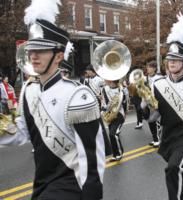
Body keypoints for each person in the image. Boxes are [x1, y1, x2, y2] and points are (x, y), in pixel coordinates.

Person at [0, 4, 105, 199]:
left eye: (41, 50)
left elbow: (92, 154)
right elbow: (22, 133)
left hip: (72, 185)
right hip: (42, 183)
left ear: (58, 56)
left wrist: (92, 193)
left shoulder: (78, 96)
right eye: (31, 50)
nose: (33, 55)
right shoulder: (28, 91)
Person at [145, 13, 183, 200]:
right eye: (169, 59)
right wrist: (145, 101)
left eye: (176, 59)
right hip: (168, 136)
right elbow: (155, 113)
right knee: (179, 170)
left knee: (173, 168)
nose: (171, 62)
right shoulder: (159, 84)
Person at [101, 79, 127, 161]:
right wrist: (103, 110)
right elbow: (104, 102)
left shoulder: (121, 89)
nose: (105, 80)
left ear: (111, 81)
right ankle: (115, 154)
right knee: (111, 135)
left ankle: (119, 153)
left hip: (119, 115)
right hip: (110, 115)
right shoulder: (105, 89)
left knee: (113, 134)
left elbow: (125, 102)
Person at [145, 60, 162, 147]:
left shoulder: (159, 78)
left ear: (154, 69)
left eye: (149, 67)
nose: (147, 68)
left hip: (157, 103)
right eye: (147, 67)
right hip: (149, 103)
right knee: (150, 122)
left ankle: (157, 139)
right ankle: (155, 138)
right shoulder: (146, 78)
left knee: (155, 121)